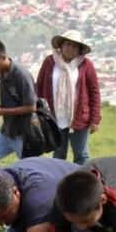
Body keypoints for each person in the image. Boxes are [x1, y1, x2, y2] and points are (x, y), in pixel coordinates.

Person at [35, 30, 101, 164]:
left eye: (75, 46)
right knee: (59, 153)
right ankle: (59, 181)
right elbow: (40, 87)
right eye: (68, 44)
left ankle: (83, 182)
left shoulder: (86, 65)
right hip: (54, 116)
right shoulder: (49, 62)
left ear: (80, 49)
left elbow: (94, 92)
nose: (70, 48)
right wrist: (38, 112)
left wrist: (95, 119)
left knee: (81, 155)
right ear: (61, 45)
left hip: (79, 117)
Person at [0, 38, 37, 163]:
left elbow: (31, 107)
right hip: (7, 130)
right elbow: (9, 101)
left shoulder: (21, 74)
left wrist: (1, 111)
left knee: (29, 166)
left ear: (3, 57)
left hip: (23, 132)